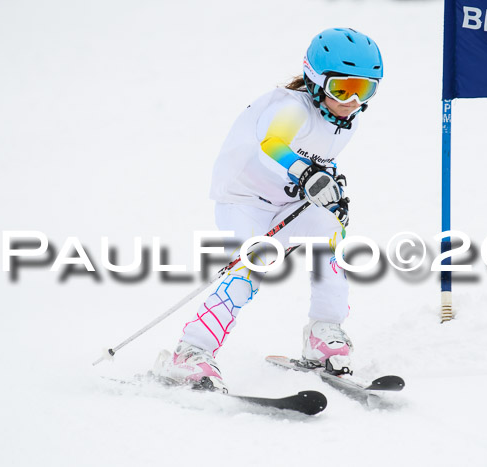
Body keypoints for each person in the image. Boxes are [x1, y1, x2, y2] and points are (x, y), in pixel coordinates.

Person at [153, 28, 383, 392]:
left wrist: (331, 189)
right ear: (315, 80)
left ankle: (323, 333)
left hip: (289, 203)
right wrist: (307, 173)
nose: (353, 100)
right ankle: (191, 352)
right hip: (243, 201)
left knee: (330, 236)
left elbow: (322, 157)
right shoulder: (291, 107)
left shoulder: (345, 121)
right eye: (342, 88)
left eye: (365, 89)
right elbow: (272, 144)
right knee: (250, 267)